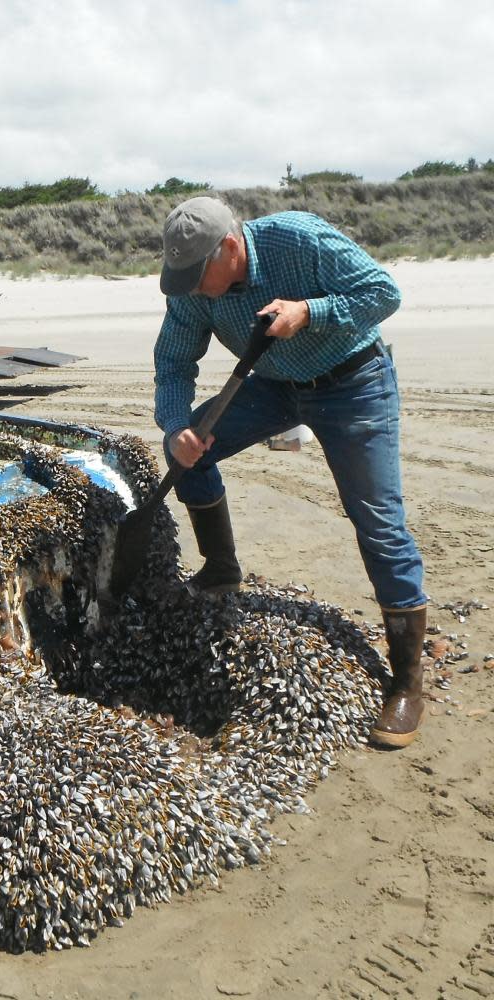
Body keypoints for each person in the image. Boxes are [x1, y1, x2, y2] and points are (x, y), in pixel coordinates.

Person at [154, 196, 428, 749]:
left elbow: (383, 293)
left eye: (196, 274)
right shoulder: (193, 292)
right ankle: (220, 567)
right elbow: (174, 361)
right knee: (187, 452)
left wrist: (310, 312)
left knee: (377, 519)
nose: (189, 288)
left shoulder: (299, 240)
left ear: (229, 247)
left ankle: (406, 681)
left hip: (354, 383)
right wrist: (176, 424)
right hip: (272, 388)